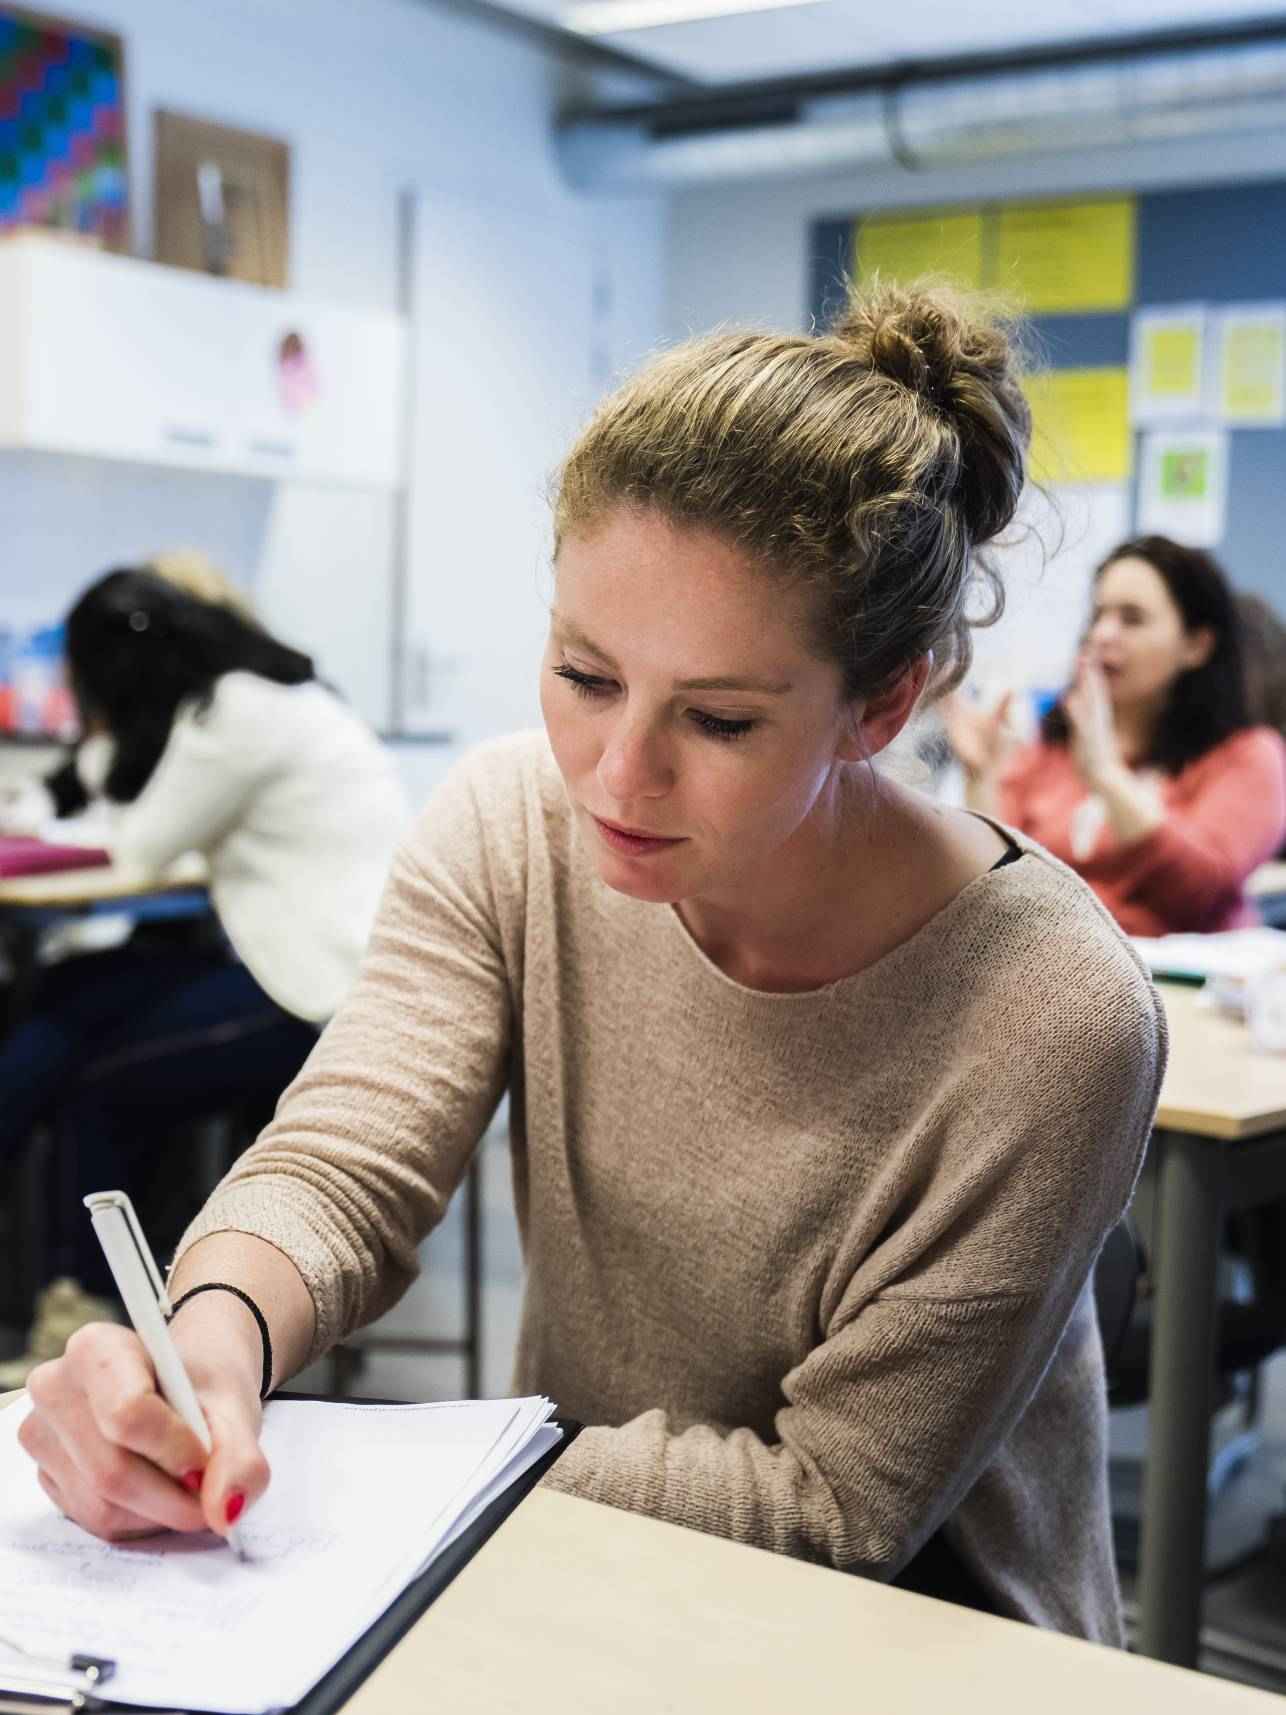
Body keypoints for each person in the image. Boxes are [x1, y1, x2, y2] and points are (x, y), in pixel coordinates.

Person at [19, 284, 1165, 1642]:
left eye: (721, 718)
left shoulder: (1053, 1010)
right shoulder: (511, 823)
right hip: (557, 1574)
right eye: (582, 672)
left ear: (883, 702)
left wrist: (388, 1463)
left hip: (920, 1646)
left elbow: (832, 1507)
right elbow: (346, 1159)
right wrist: (214, 1334)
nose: (617, 775)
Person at [0, 568, 408, 1383]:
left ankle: (79, 1318)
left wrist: (103, 731)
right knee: (69, 1006)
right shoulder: (267, 696)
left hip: (313, 987)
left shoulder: (229, 714)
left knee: (91, 1073)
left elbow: (142, 841)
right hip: (313, 961)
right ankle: (79, 1305)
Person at [944, 537, 1286, 936]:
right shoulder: (1051, 747)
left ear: (1196, 645)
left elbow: (1200, 893)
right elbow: (999, 884)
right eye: (1099, 615)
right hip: (1051, 972)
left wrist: (1105, 773)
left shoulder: (1247, 755)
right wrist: (982, 778)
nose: (1103, 634)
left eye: (1132, 618)